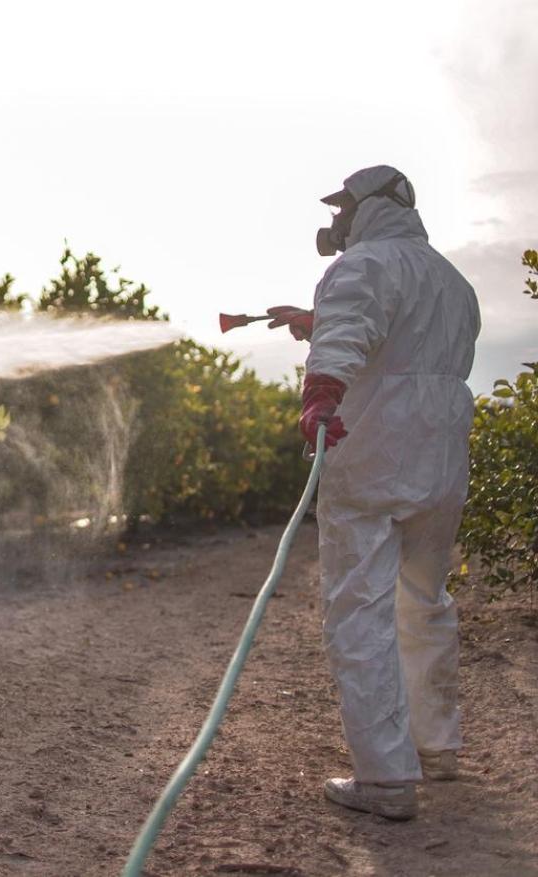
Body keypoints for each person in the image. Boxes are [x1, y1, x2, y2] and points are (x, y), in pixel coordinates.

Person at [269, 165, 481, 820]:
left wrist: (319, 397)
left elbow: (350, 335)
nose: (335, 220)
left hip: (372, 458)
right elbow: (400, 341)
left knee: (359, 606)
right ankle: (433, 745)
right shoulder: (452, 279)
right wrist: (317, 319)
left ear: (375, 208)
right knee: (423, 599)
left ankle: (387, 777)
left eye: (343, 208)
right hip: (440, 463)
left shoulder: (359, 266)